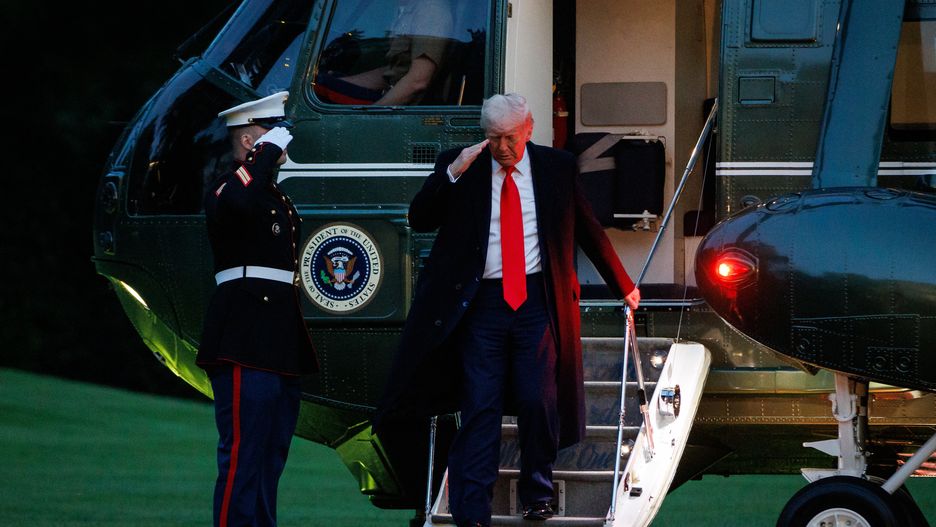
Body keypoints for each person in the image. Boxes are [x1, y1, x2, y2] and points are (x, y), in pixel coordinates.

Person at [375, 93, 640, 526]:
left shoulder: (556, 167)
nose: (502, 147)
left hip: (537, 300)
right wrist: (452, 173)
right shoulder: (463, 165)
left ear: (528, 129)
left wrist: (623, 286)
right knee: (480, 405)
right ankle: (472, 510)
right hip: (482, 304)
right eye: (494, 137)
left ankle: (538, 492)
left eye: (510, 137)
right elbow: (420, 218)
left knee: (538, 399)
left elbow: (588, 229)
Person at [197, 91, 318, 527]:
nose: (282, 142)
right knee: (243, 453)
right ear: (250, 141)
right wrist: (263, 155)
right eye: (272, 132)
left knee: (271, 454)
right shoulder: (229, 186)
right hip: (244, 335)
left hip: (278, 337)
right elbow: (236, 202)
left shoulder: (271, 194)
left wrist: (266, 157)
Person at [314, 0, 454, 105]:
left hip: (406, 112)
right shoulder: (408, 10)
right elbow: (392, 72)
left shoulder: (431, 10)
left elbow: (418, 81)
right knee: (318, 84)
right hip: (388, 97)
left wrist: (372, 114)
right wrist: (341, 82)